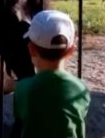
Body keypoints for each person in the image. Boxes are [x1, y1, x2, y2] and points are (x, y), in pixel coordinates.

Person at [13, 10, 91, 138]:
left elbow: (21, 116)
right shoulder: (81, 88)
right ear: (71, 51)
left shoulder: (22, 88)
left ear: (31, 49)